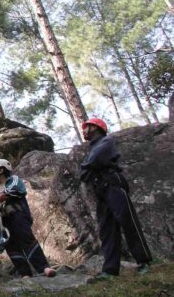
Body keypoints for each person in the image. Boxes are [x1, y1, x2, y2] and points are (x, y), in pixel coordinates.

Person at [79, 117, 152, 279]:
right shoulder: (92, 148)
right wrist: (88, 167)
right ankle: (110, 270)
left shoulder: (106, 141)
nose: (83, 130)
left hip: (113, 185)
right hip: (101, 191)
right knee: (107, 230)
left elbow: (94, 161)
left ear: (95, 128)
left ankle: (143, 261)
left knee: (128, 222)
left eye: (86, 127)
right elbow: (84, 173)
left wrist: (87, 167)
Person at [0, 159, 56, 278]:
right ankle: (25, 273)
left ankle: (44, 268)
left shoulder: (14, 180)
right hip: (1, 221)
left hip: (17, 215)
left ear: (1, 169)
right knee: (11, 246)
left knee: (27, 239)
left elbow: (12, 192)